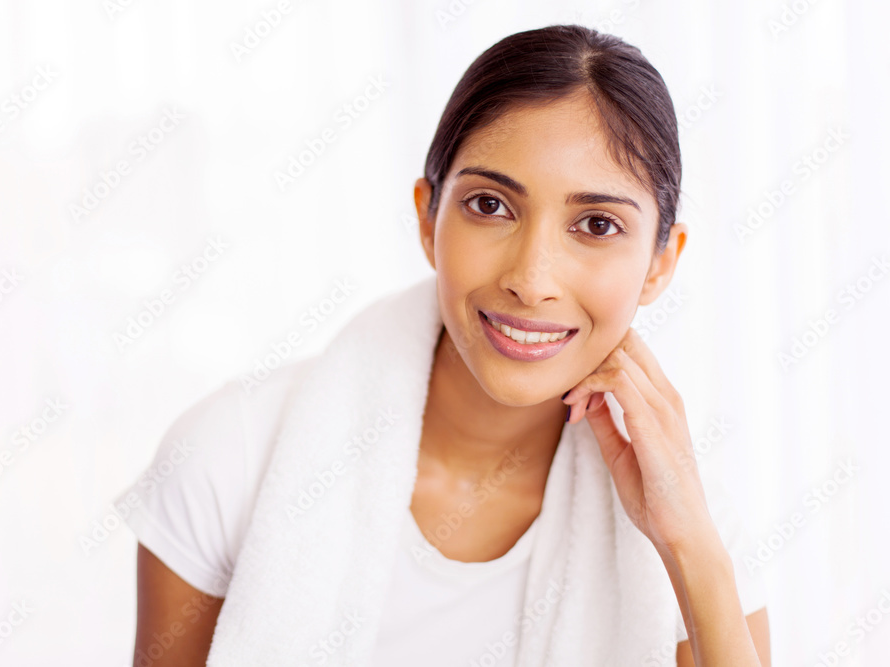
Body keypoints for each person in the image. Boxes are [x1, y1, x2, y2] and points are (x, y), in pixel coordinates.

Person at [122, 24, 771, 666]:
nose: (531, 279)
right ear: (428, 219)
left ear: (660, 264)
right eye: (490, 205)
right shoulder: (229, 457)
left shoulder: (694, 527)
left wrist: (691, 549)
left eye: (597, 224)